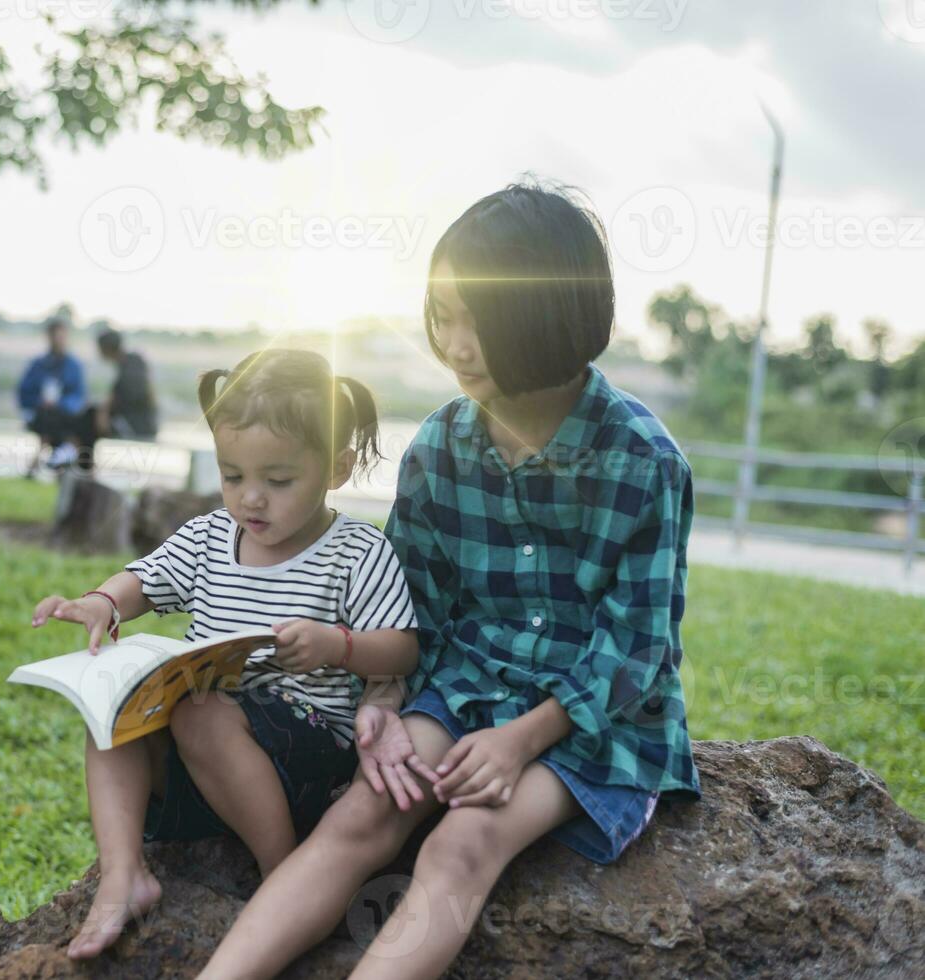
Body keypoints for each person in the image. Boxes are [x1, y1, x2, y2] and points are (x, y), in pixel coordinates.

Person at [198, 182, 700, 979]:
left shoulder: (643, 460)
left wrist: (519, 739)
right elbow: (414, 609)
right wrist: (383, 704)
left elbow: (635, 649)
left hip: (592, 717)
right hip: (463, 684)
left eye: (477, 321)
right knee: (364, 814)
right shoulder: (438, 446)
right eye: (441, 315)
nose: (454, 344)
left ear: (548, 317)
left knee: (467, 839)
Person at [28, 348, 421, 960]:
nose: (251, 499)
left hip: (306, 753)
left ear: (336, 469)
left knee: (199, 713)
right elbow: (146, 580)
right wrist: (103, 602)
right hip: (207, 758)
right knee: (114, 708)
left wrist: (336, 647)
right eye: (232, 476)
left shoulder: (356, 551)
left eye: (278, 480)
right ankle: (124, 873)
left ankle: (284, 875)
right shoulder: (211, 536)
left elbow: (401, 647)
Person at [69, 328, 159, 471]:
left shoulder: (133, 363)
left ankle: (84, 468)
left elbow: (129, 395)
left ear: (106, 348)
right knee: (87, 417)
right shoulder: (127, 363)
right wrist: (103, 409)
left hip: (138, 424)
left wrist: (104, 411)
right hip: (128, 419)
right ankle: (83, 465)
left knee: (87, 419)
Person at [16, 318, 86, 475]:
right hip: (41, 413)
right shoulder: (38, 364)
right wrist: (39, 402)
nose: (59, 340)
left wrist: (61, 404)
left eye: (62, 336)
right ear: (49, 337)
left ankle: (40, 463)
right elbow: (23, 393)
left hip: (62, 415)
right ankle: (63, 453)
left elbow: (78, 396)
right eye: (55, 336)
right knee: (50, 418)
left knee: (56, 418)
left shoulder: (74, 365)